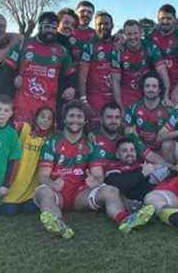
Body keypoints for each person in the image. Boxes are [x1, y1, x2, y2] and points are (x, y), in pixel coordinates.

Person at [33, 101, 155, 238]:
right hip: (57, 193)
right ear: (65, 119)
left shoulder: (90, 144)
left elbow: (98, 175)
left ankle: (124, 219)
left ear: (85, 121)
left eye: (79, 116)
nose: (75, 120)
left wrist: (95, 182)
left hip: (80, 194)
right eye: (71, 116)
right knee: (43, 191)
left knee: (111, 190)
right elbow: (43, 175)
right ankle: (58, 224)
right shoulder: (52, 141)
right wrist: (52, 184)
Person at [7, 12, 76, 127]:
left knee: (42, 142)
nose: (50, 31)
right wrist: (14, 77)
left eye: (54, 28)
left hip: (47, 109)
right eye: (47, 27)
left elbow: (71, 74)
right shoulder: (23, 45)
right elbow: (7, 69)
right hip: (23, 106)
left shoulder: (62, 51)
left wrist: (72, 88)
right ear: (40, 27)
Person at [2, 106, 56, 215]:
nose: (45, 120)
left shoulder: (51, 139)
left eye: (49, 118)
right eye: (42, 117)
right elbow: (5, 126)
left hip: (32, 188)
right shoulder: (24, 128)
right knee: (9, 212)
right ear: (36, 118)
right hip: (15, 183)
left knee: (30, 210)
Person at [90, 102, 170, 171]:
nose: (113, 121)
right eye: (109, 117)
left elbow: (150, 155)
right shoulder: (92, 139)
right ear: (101, 119)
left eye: (117, 117)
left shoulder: (128, 135)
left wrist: (171, 167)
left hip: (135, 174)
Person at [111, 19, 171, 108]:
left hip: (147, 95)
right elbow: (115, 81)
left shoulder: (150, 47)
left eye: (135, 33)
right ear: (124, 34)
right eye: (129, 34)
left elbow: (162, 72)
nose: (132, 37)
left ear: (141, 33)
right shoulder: (118, 51)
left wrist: (166, 95)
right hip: (127, 97)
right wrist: (119, 106)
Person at [146, 4, 178, 103]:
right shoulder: (150, 36)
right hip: (156, 89)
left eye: (169, 18)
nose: (165, 21)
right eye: (162, 18)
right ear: (157, 19)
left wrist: (176, 92)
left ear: (175, 19)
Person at [79, 11, 117, 124]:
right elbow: (82, 75)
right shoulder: (89, 46)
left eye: (106, 24)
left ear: (112, 25)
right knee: (96, 133)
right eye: (99, 24)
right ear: (95, 26)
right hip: (95, 98)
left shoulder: (119, 44)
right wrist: (83, 100)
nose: (103, 27)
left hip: (115, 97)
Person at [124, 73, 171, 155]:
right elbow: (127, 130)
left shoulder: (168, 109)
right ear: (143, 88)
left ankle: (171, 167)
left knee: (169, 143)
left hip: (162, 150)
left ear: (160, 89)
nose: (150, 89)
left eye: (154, 86)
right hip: (141, 150)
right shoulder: (133, 108)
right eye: (147, 86)